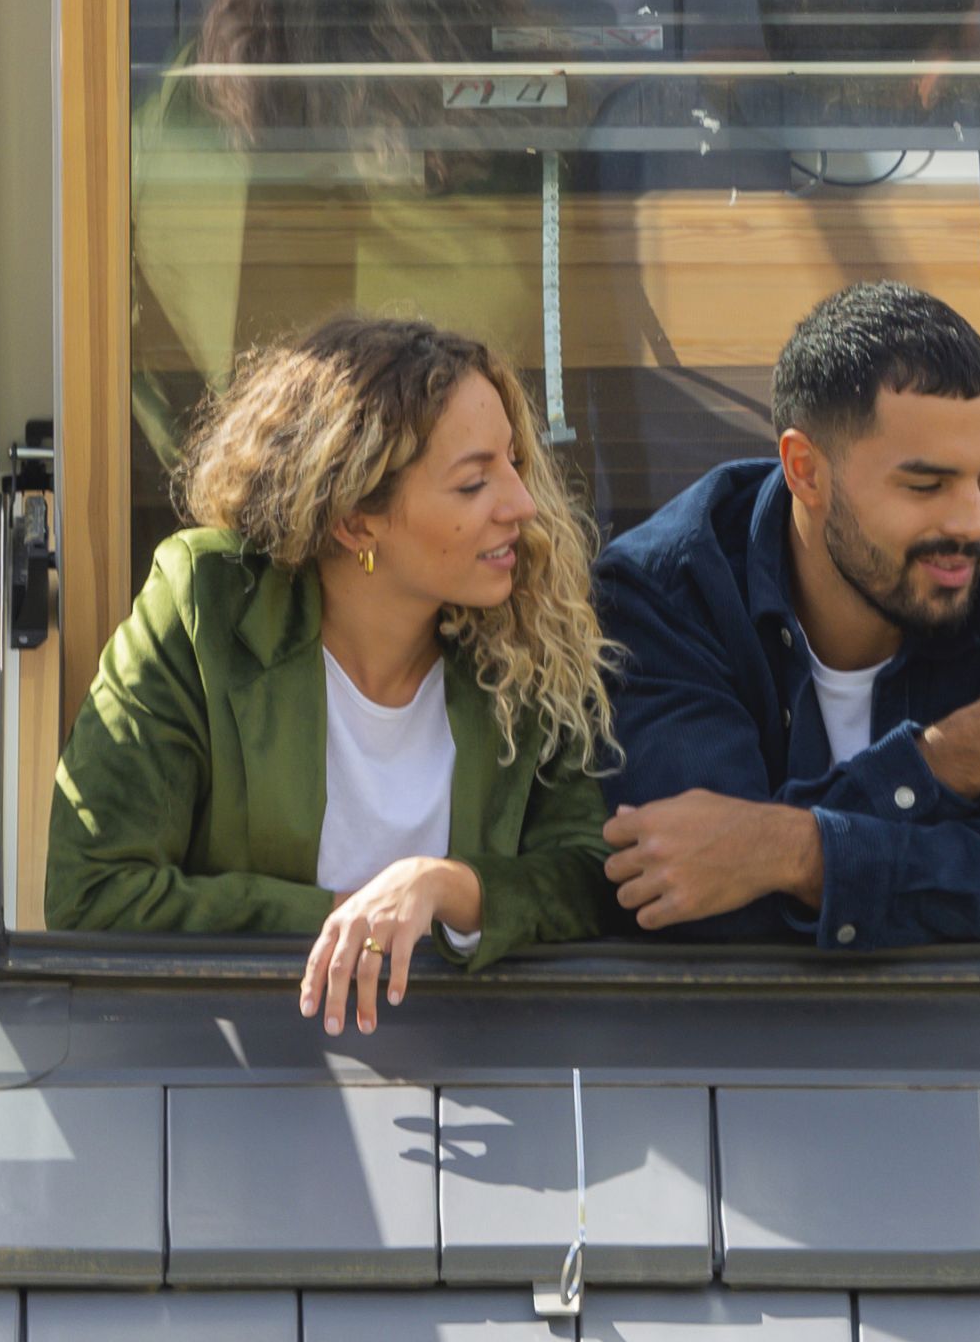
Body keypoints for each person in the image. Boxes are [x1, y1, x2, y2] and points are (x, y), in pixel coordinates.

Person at [593, 281, 980, 946]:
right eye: (926, 485)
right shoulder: (666, 595)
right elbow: (697, 904)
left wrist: (788, 851)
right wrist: (959, 755)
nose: (972, 524)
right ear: (805, 471)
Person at [47, 313, 615, 1026]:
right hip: (234, 1063)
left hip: (474, 1064)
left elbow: (591, 878)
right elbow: (94, 893)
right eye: (474, 483)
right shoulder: (204, 612)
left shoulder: (526, 639)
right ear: (356, 522)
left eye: (515, 463)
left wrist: (445, 889)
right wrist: (352, 919)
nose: (522, 505)